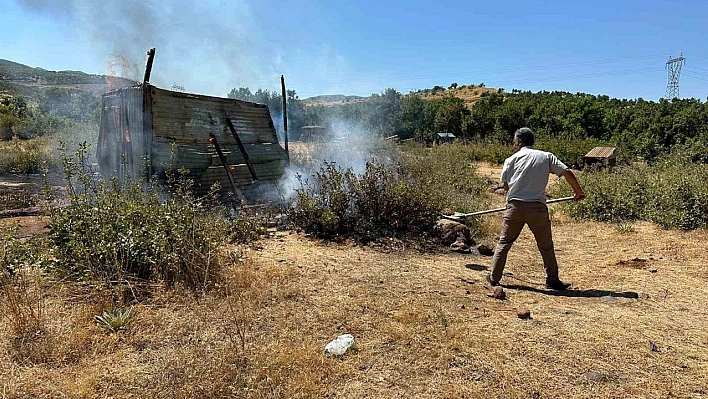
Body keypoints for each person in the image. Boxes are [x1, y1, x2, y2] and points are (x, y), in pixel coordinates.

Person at [487, 127, 585, 290]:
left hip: (515, 207)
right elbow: (566, 171)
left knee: (504, 243)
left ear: (519, 142)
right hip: (538, 208)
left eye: (514, 141)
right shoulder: (546, 157)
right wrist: (578, 192)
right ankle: (553, 281)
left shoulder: (511, 159)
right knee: (546, 246)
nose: (513, 144)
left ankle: (494, 277)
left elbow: (506, 185)